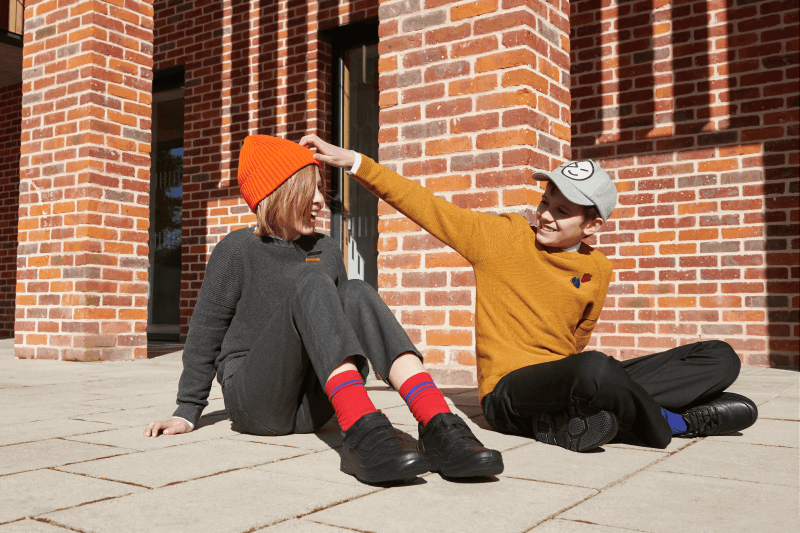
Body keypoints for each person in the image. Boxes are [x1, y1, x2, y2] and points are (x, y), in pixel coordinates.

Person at [300, 134, 758, 453]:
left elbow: (577, 338)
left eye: (562, 211)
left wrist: (582, 379)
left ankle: (580, 418)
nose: (545, 216)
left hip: (568, 377)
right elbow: (426, 205)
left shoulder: (597, 269)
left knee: (719, 356)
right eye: (545, 202)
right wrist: (355, 162)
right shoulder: (501, 238)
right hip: (509, 394)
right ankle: (676, 423)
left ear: (593, 225)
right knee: (596, 369)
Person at [144, 135, 504, 482]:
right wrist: (187, 411)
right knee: (313, 280)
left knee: (356, 292)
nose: (320, 200)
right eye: (309, 189)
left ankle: (438, 423)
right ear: (278, 193)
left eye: (320, 188)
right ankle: (361, 431)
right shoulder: (237, 249)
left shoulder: (327, 248)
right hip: (256, 399)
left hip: (314, 407)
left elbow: (335, 330)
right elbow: (206, 331)